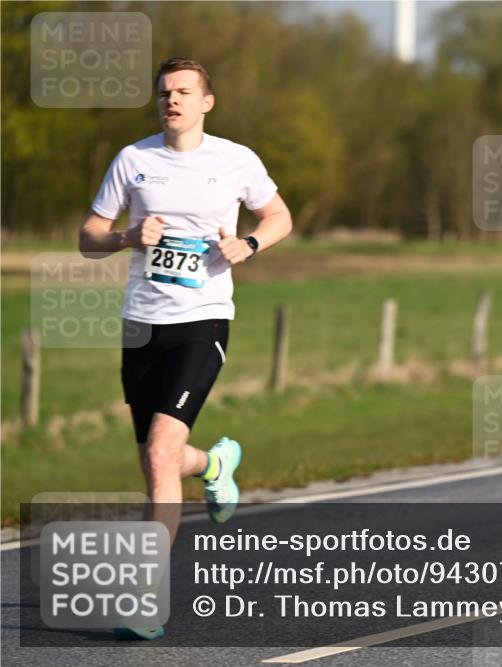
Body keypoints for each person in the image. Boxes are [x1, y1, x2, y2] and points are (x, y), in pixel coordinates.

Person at [78, 57, 293, 639]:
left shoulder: (235, 160)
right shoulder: (134, 160)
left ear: (206, 102)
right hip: (141, 324)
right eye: (163, 93)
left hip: (203, 320)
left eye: (183, 92)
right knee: (161, 459)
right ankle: (216, 463)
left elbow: (279, 216)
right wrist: (124, 236)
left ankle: (147, 599)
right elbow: (88, 236)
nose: (171, 100)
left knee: (157, 453)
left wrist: (249, 243)